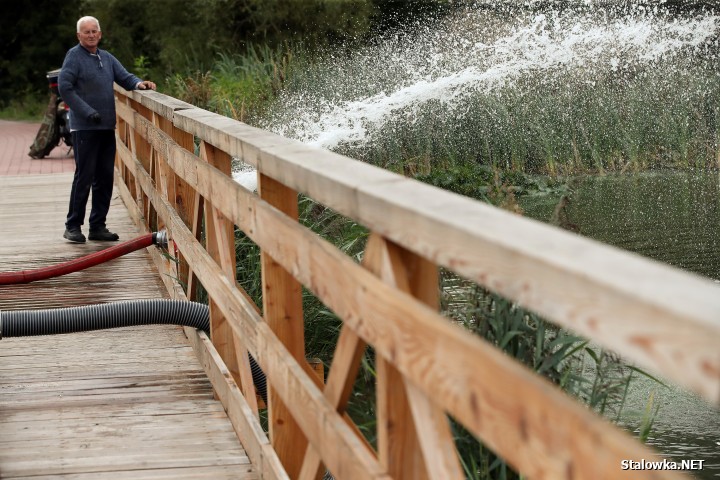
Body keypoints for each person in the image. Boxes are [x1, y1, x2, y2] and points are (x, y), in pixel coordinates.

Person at [59, 16, 156, 243]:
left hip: (105, 127)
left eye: (94, 31)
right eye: (86, 32)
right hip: (84, 128)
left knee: (104, 177)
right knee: (84, 176)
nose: (91, 35)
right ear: (79, 36)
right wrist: (85, 111)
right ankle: (73, 226)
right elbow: (65, 87)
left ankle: (97, 226)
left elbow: (125, 77)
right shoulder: (74, 57)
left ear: (100, 34)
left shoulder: (106, 58)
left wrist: (139, 84)